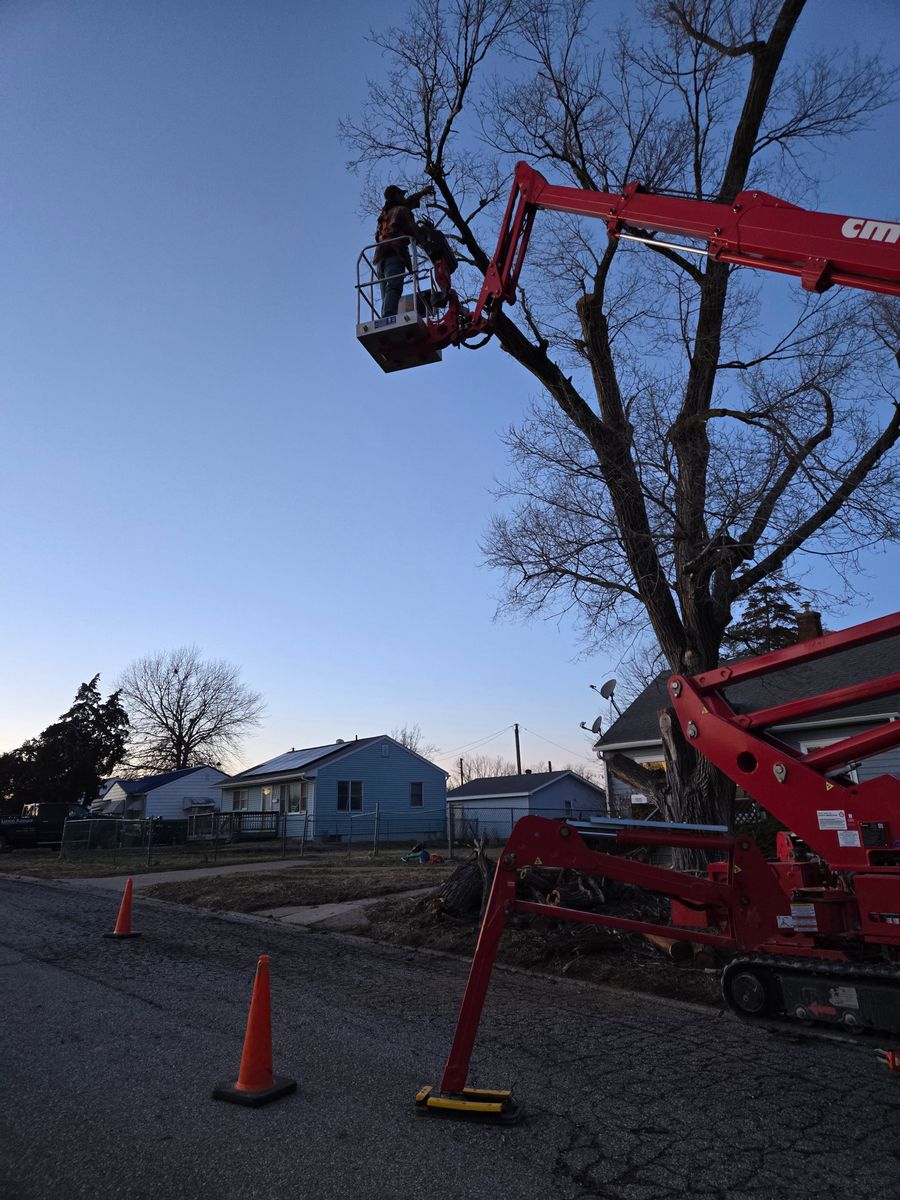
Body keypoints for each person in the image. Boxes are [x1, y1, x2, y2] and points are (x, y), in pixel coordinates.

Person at [373, 184, 434, 318]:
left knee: (387, 293)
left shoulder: (385, 214)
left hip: (380, 259)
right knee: (394, 287)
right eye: (402, 194)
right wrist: (427, 234)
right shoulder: (402, 211)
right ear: (396, 196)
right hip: (394, 254)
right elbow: (415, 234)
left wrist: (422, 193)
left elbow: (408, 202)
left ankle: (386, 318)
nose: (404, 197)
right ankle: (389, 317)